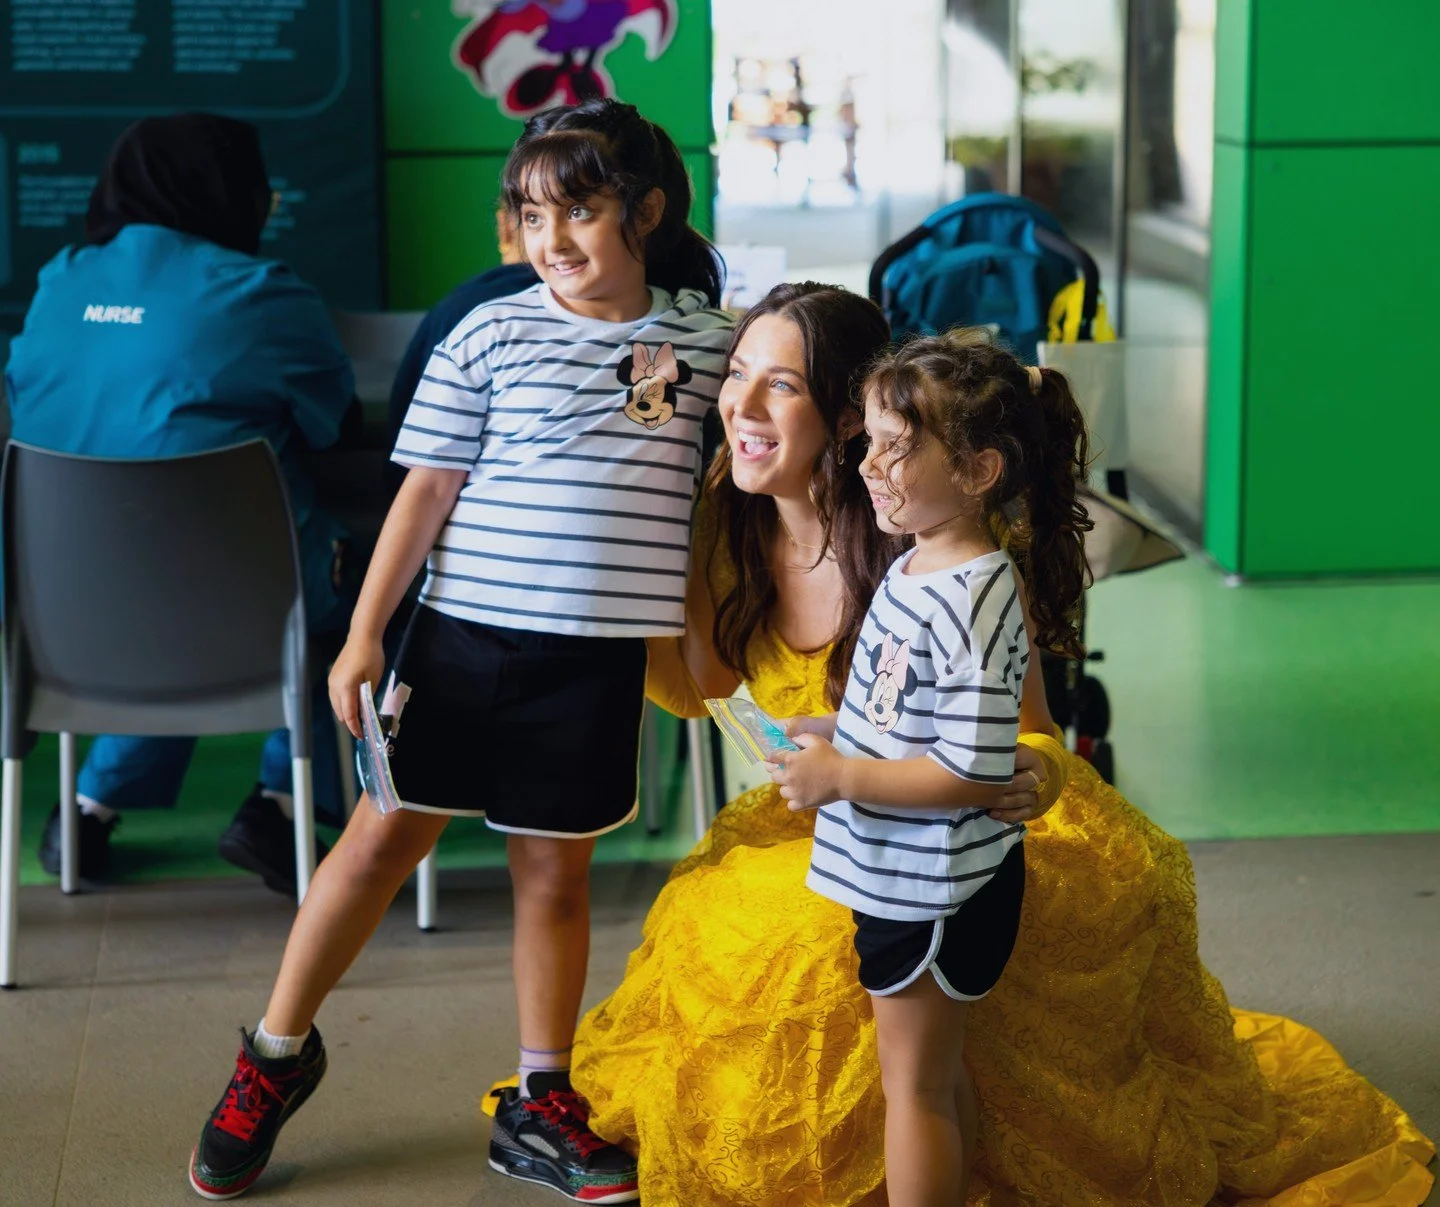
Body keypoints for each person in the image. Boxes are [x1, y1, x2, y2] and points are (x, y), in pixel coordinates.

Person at [571, 282, 1436, 1206]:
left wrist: (1042, 769)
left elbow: (1022, 730)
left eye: (780, 384)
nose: (740, 405)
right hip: (838, 813)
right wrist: (666, 536)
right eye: (737, 374)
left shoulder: (927, 540)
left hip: (948, 829)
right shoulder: (728, 525)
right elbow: (706, 689)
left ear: (849, 418)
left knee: (849, 990)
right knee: (741, 939)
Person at [185, 98, 734, 1203]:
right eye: (531, 214)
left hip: (594, 663)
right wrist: (364, 636)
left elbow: (772, 431)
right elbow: (424, 492)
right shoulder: (489, 332)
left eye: (578, 211)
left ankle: (538, 1101)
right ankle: (274, 1055)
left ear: (647, 212)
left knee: (555, 875)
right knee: (376, 846)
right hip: (457, 644)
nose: (551, 238)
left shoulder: (709, 344)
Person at [768, 331, 1089, 1204]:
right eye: (870, 440)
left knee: (913, 1089)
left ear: (979, 471)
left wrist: (841, 778)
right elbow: (909, 713)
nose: (868, 464)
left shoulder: (974, 593)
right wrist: (833, 728)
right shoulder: (918, 562)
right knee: (933, 1078)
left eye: (897, 448)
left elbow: (971, 772)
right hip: (904, 876)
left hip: (935, 888)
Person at [4, 113, 359, 895]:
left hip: (61, 619)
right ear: (231, 191)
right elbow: (333, 422)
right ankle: (284, 802)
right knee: (362, 598)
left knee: (170, 590)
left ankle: (89, 805)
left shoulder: (60, 280)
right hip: (240, 611)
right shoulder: (263, 293)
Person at [383, 205, 539, 499]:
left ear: (504, 226)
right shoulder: (617, 315)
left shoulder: (462, 311)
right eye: (534, 218)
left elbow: (415, 471)